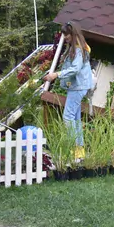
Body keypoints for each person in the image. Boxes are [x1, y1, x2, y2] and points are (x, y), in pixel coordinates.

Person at [44, 22, 93, 161]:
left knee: (68, 117)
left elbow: (75, 69)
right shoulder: (77, 48)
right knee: (75, 120)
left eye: (66, 34)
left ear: (73, 34)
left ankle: (74, 150)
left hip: (78, 87)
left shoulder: (79, 50)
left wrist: (56, 75)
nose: (64, 37)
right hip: (77, 86)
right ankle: (79, 152)